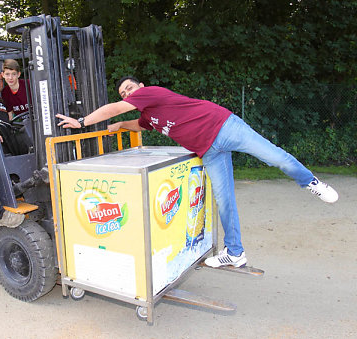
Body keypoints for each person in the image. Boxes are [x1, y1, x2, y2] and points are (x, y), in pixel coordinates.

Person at [56, 76, 339, 268]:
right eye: (124, 93)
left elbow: (114, 109)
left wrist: (82, 122)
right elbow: (139, 124)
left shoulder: (150, 93)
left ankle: (312, 182)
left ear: (140, 86)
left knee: (275, 156)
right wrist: (120, 127)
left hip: (224, 126)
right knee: (224, 200)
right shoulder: (148, 114)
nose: (128, 94)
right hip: (209, 151)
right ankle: (235, 253)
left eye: (129, 89)